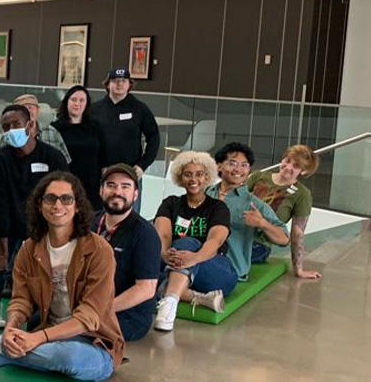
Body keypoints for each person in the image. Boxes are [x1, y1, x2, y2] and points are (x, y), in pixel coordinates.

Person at [0, 172, 122, 382]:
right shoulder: (29, 249)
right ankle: (7, 348)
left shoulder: (98, 250)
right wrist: (12, 327)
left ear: (77, 206)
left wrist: (37, 338)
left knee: (70, 357)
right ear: (40, 205)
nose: (58, 205)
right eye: (50, 198)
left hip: (92, 343)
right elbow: (21, 300)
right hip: (46, 340)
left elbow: (89, 317)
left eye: (66, 199)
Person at [0, 104, 68, 335]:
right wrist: (2, 254)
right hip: (6, 229)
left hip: (43, 231)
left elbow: (63, 199)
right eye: (5, 127)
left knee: (41, 283)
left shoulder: (53, 157)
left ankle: (35, 335)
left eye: (15, 124)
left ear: (30, 125)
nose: (10, 130)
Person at [152, 151, 235, 332]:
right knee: (141, 269)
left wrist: (194, 258)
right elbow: (163, 235)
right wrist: (165, 254)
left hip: (212, 267)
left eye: (199, 174)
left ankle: (169, 304)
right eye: (187, 174)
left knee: (186, 242)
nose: (193, 179)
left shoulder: (218, 207)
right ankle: (196, 296)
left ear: (207, 178)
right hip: (175, 264)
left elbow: (215, 241)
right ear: (180, 178)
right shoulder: (171, 203)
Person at [92, 164, 160, 341]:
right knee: (39, 319)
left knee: (75, 330)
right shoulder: (89, 223)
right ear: (101, 190)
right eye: (111, 185)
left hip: (126, 315)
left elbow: (146, 289)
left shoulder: (145, 233)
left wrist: (102, 309)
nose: (117, 191)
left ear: (135, 194)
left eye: (125, 186)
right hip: (88, 304)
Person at [208, 142, 289, 284]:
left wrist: (262, 223)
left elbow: (284, 239)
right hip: (199, 257)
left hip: (229, 268)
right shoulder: (205, 193)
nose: (238, 169)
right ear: (219, 166)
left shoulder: (253, 204)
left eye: (244, 165)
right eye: (232, 163)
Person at [246, 144, 322, 279]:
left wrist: (299, 269)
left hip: (259, 245)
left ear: (303, 171)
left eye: (296, 166)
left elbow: (297, 233)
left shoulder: (302, 194)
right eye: (287, 161)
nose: (288, 167)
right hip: (235, 233)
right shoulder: (258, 177)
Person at [91, 67, 160, 213]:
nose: (119, 84)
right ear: (108, 84)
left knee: (130, 217)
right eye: (115, 81)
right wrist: (97, 166)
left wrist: (142, 165)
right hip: (102, 173)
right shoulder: (95, 109)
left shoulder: (139, 108)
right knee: (99, 216)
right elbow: (88, 142)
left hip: (130, 173)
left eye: (124, 81)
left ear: (130, 84)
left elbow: (153, 137)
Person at [52, 85, 108, 211]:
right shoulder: (55, 128)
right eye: (74, 100)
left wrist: (104, 183)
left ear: (87, 104)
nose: (77, 104)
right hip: (66, 183)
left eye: (81, 100)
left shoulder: (95, 127)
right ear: (67, 102)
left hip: (92, 184)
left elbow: (104, 156)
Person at [13, 93, 71, 163]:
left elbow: (65, 162)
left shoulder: (52, 132)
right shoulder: (10, 135)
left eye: (30, 107)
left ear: (38, 110)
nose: (28, 111)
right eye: (23, 108)